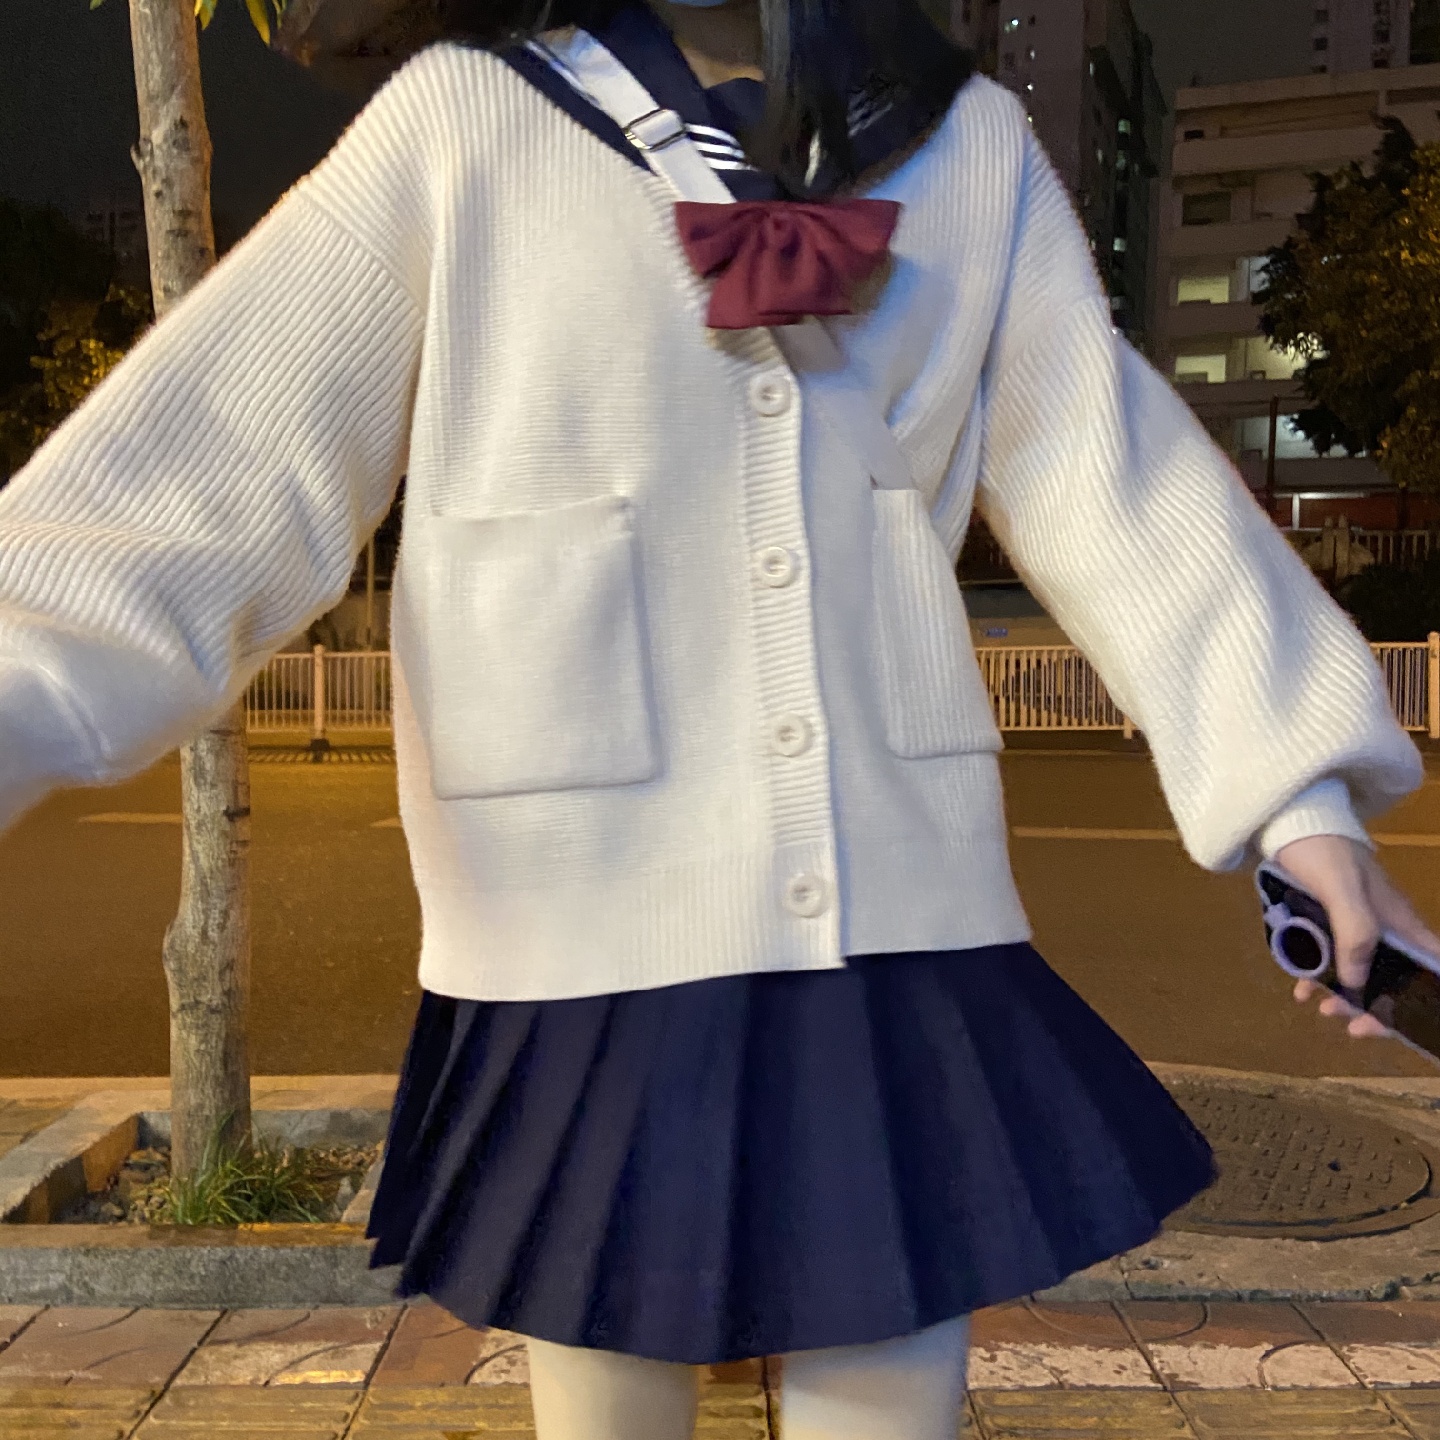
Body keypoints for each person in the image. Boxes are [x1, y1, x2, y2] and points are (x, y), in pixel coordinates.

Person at [0, 0, 1434, 1435]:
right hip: (574, 928)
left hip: (894, 919)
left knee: (890, 1395)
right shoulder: (465, 120)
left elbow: (1104, 470)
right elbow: (225, 462)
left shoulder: (969, 147)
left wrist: (1296, 794)